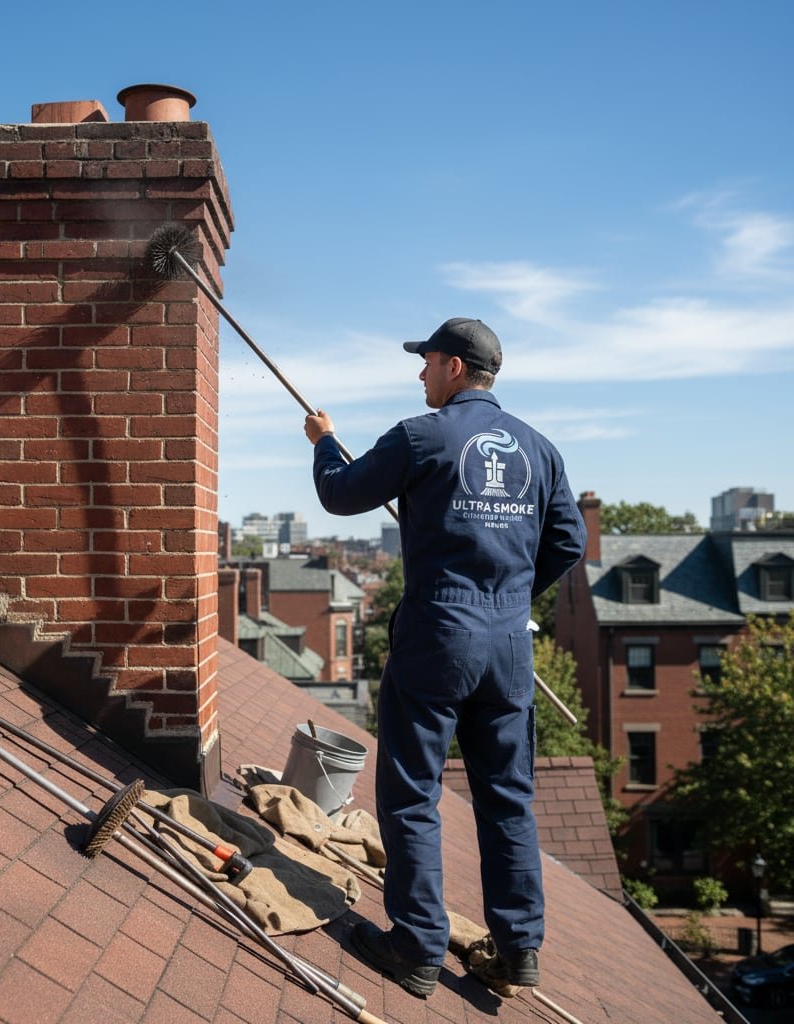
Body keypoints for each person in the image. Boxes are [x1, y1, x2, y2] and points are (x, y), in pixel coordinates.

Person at [303, 318, 586, 999]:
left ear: (455, 366)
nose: (419, 374)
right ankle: (519, 949)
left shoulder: (421, 436)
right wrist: (509, 594)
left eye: (426, 362)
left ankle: (418, 948)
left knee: (411, 793)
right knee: (508, 798)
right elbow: (569, 541)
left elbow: (341, 493)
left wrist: (323, 443)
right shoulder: (540, 450)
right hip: (508, 643)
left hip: (438, 633)